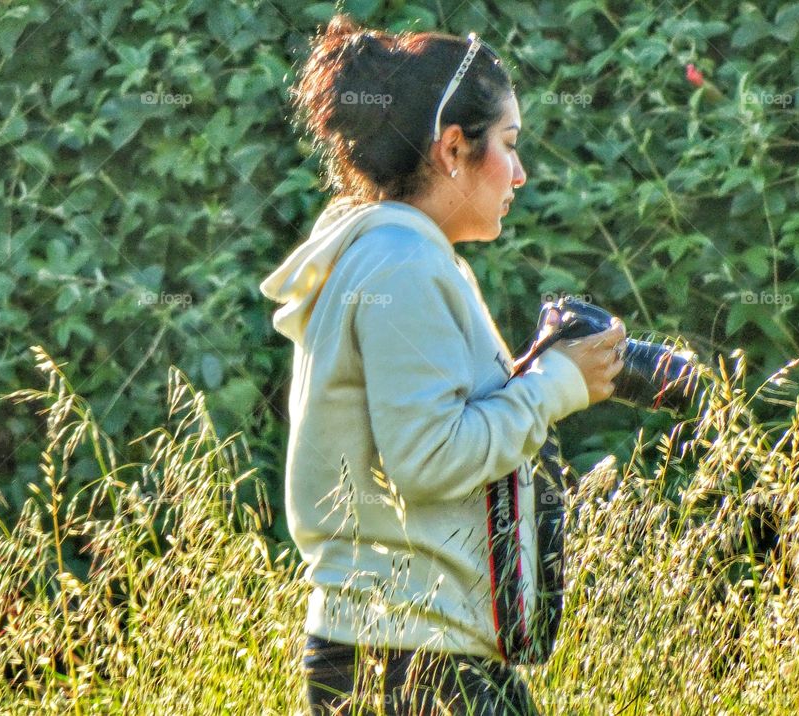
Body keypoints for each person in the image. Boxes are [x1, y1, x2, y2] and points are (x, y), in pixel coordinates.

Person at [260, 14, 627, 715]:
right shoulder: (401, 263)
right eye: (509, 145)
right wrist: (556, 386)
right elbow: (428, 458)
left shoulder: (392, 254)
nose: (520, 173)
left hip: (402, 651)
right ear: (454, 148)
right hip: (408, 662)